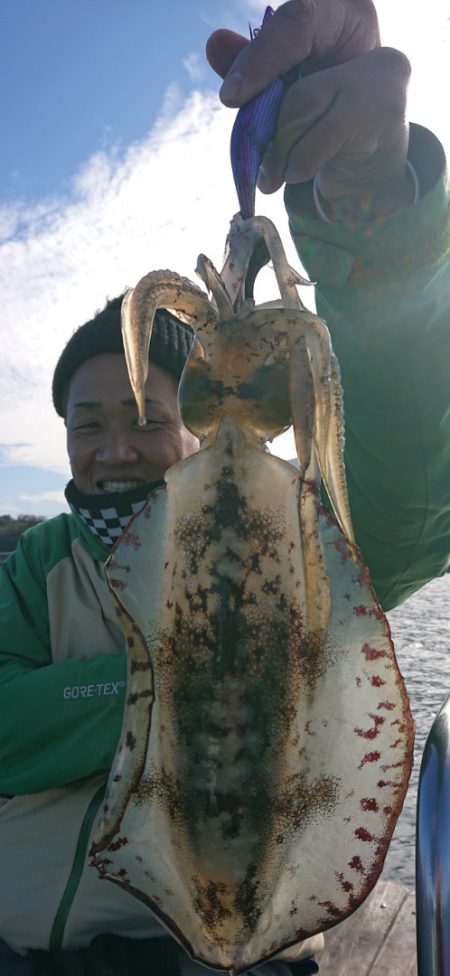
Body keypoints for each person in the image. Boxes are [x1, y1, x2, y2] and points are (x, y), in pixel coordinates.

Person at [0, 0, 449, 972]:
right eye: (88, 425)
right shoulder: (32, 573)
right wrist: (177, 679)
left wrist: (369, 215)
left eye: (147, 415)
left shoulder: (296, 530)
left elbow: (417, 497)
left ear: (198, 413)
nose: (116, 446)